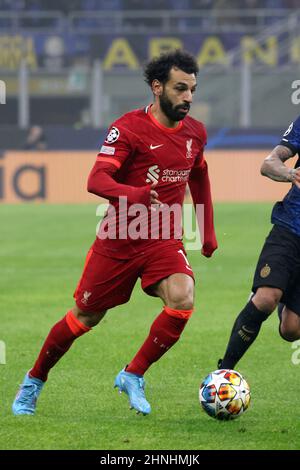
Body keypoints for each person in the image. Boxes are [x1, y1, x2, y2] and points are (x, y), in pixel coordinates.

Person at [12, 50, 217, 416]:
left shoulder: (195, 133)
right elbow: (96, 179)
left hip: (163, 237)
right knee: (84, 317)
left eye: (192, 90)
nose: (188, 97)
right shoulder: (127, 128)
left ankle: (133, 374)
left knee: (183, 297)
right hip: (119, 237)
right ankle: (34, 380)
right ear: (157, 87)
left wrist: (207, 231)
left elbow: (199, 174)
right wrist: (134, 193)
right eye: (180, 88)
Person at [218, 116, 300, 371]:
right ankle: (224, 372)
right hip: (290, 227)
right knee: (266, 298)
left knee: (291, 330)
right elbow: (269, 164)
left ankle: (284, 296)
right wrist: (289, 173)